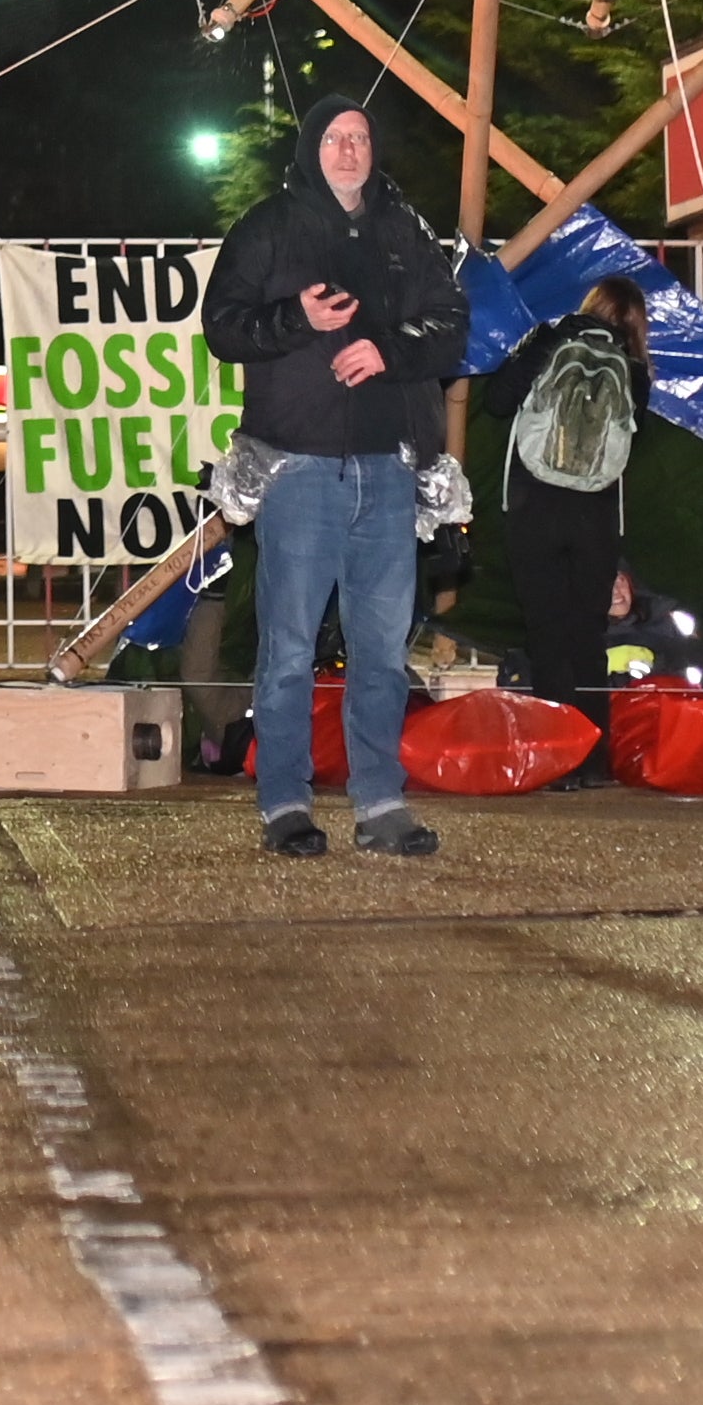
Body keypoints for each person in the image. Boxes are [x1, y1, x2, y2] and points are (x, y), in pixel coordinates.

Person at [201, 77, 469, 856]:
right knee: (287, 647)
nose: (349, 150)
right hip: (297, 471)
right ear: (311, 152)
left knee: (384, 652)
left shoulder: (406, 229)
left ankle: (381, 804)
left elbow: (453, 327)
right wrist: (299, 319)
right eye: (333, 138)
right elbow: (222, 326)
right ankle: (284, 803)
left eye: (359, 137)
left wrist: (387, 348)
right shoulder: (269, 228)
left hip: (390, 470)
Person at [493, 281, 645, 709]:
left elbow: (498, 401)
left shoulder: (549, 339)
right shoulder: (630, 366)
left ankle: (557, 751)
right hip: (595, 516)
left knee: (545, 632)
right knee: (586, 634)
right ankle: (593, 756)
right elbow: (636, 438)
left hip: (533, 508)